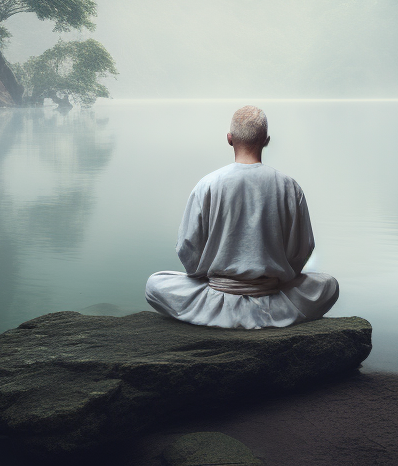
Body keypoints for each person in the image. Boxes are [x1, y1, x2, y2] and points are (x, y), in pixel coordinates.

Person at [145, 106, 339, 329]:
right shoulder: (289, 187)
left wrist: (207, 274)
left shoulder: (208, 184)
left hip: (218, 295)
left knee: (155, 284)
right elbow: (302, 251)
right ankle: (270, 315)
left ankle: (216, 315)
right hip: (273, 297)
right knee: (328, 286)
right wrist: (277, 276)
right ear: (266, 140)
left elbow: (188, 249)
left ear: (229, 139)